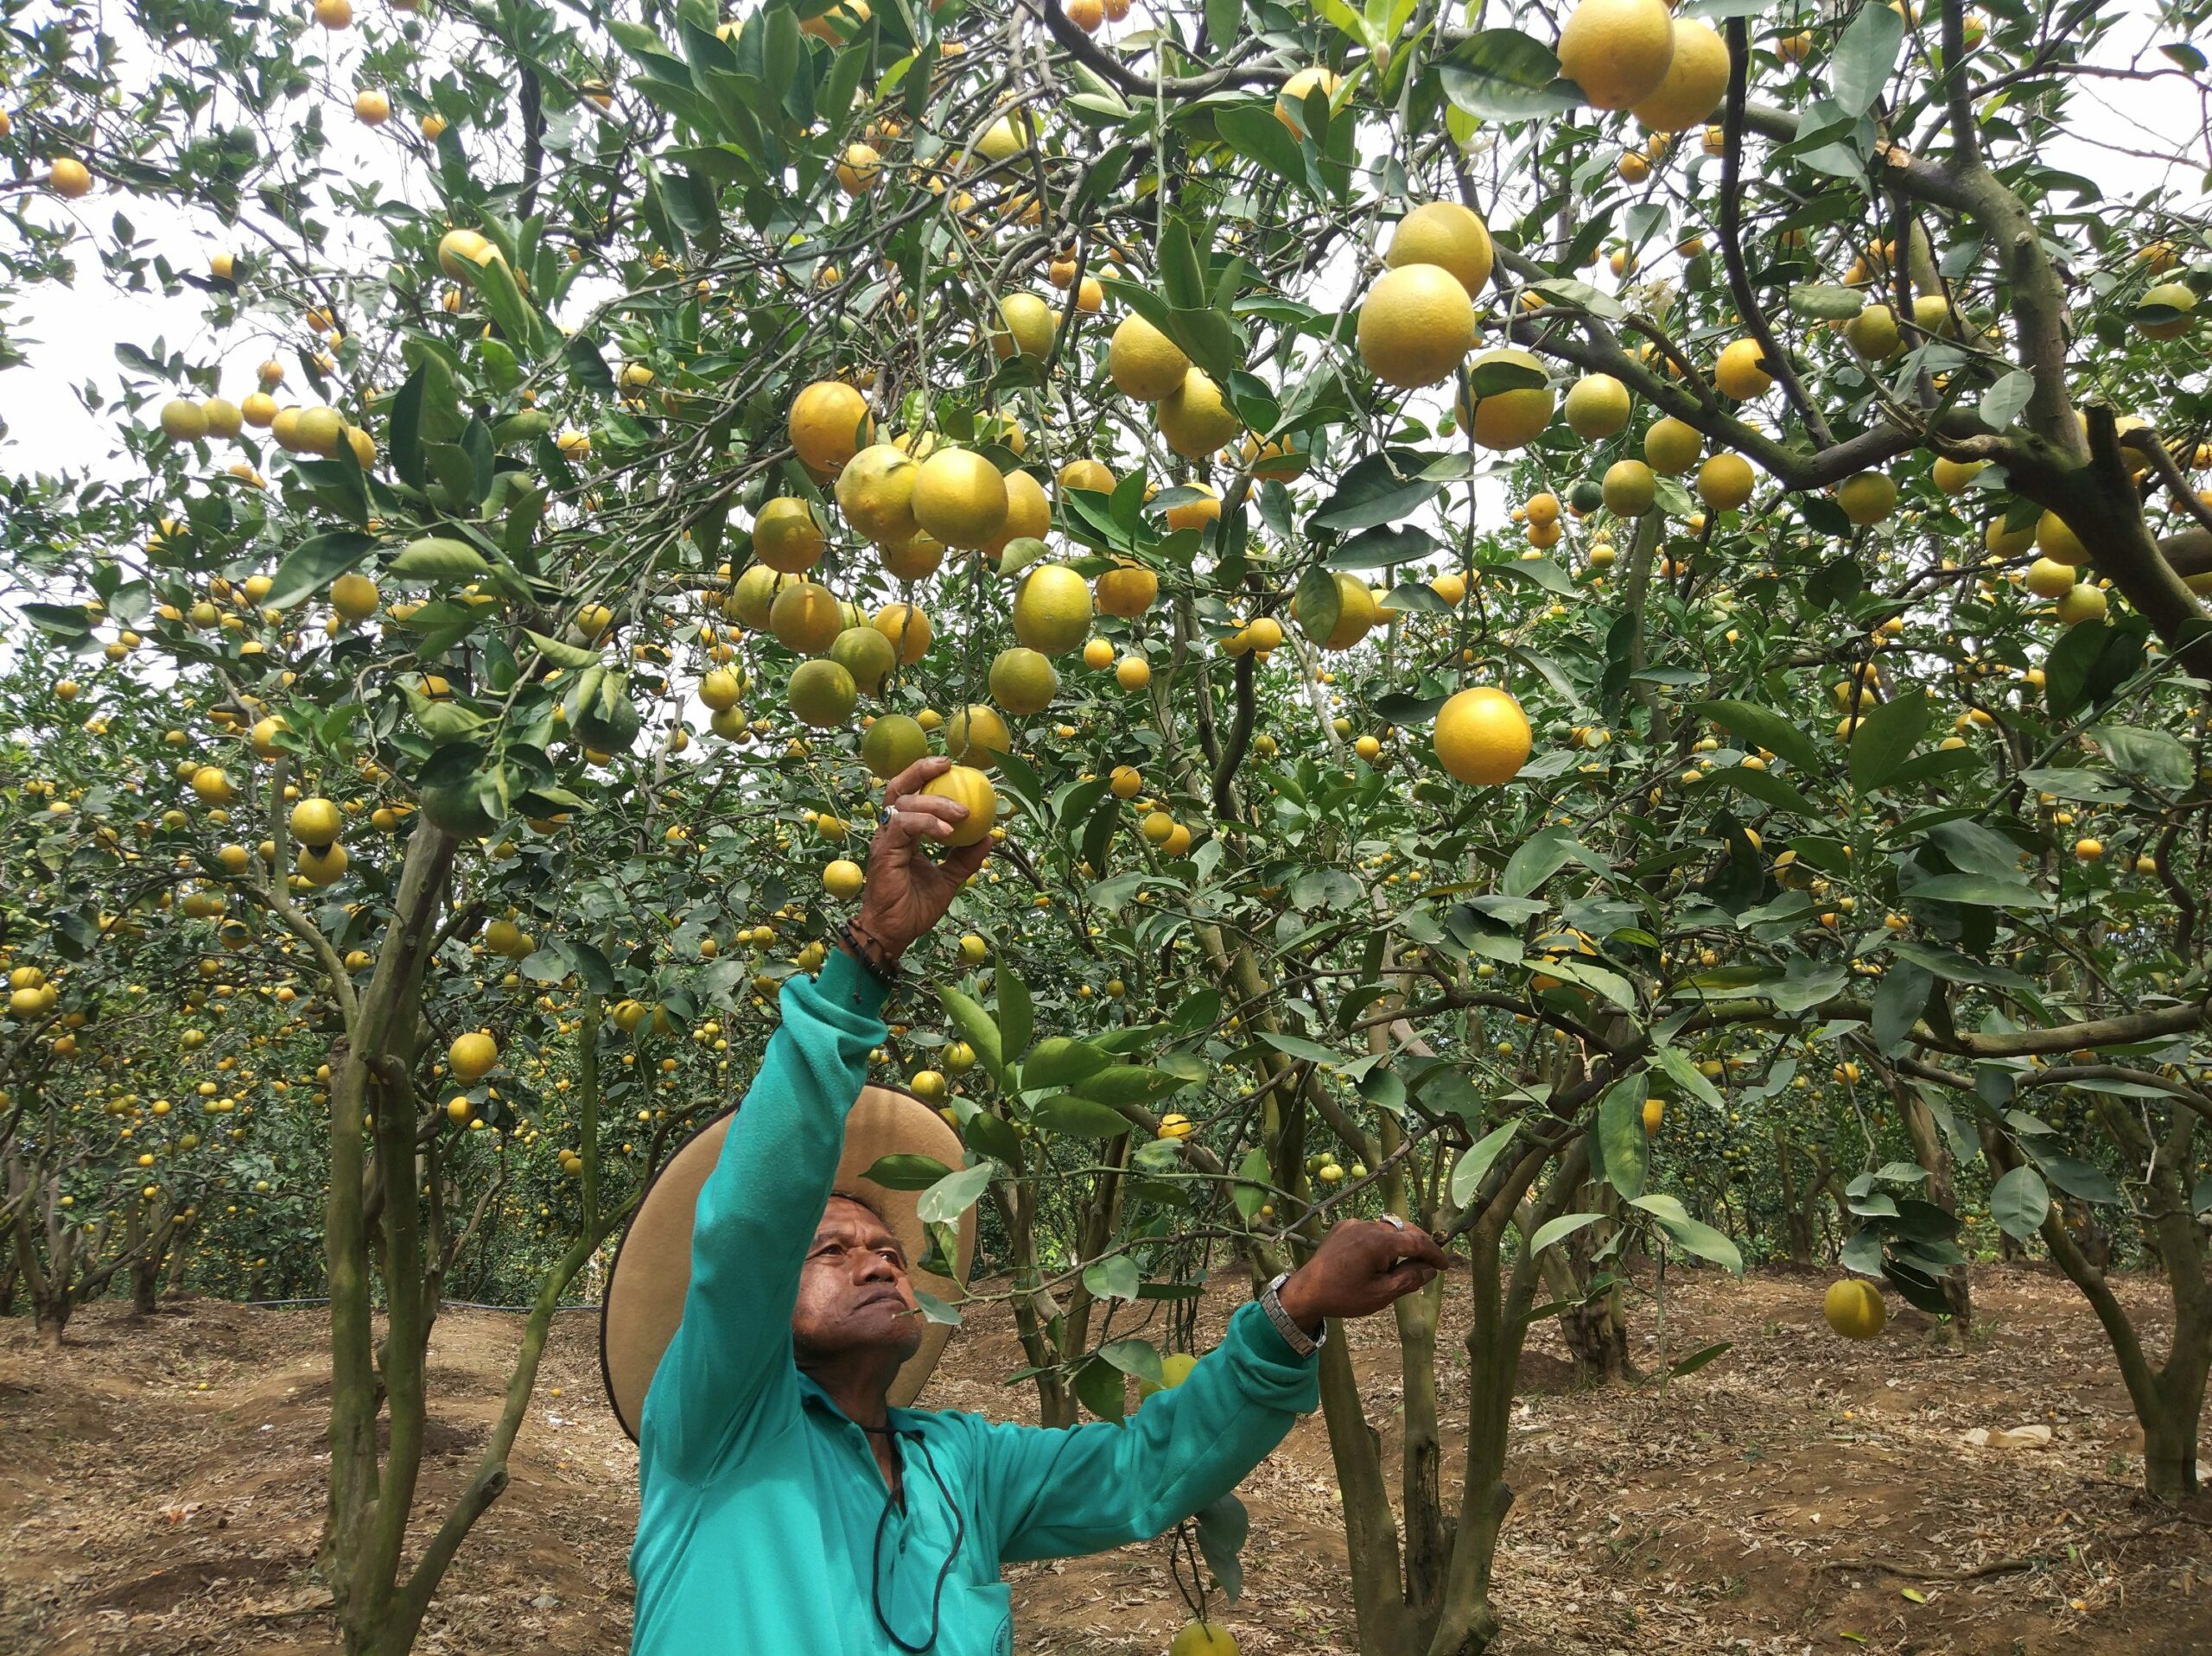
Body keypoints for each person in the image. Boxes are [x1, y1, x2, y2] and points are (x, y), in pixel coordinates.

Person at [606, 756, 1447, 1655]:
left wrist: (1300, 1306)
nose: (880, 1258)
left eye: (887, 1245)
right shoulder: (719, 1428)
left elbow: (1141, 1473)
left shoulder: (958, 1464)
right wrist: (868, 954)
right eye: (830, 1250)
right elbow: (750, 1222)